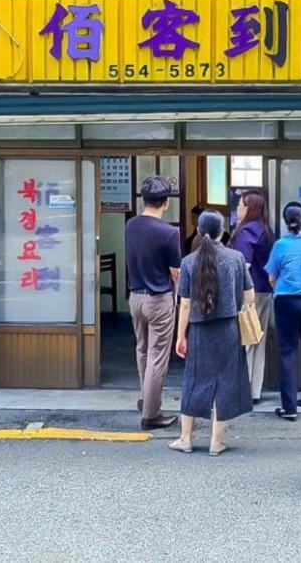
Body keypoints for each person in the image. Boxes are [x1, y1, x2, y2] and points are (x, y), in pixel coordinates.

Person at [169, 210, 255, 456]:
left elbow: (184, 304)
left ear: (198, 232)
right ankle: (216, 443)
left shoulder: (188, 262)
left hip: (199, 330)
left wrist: (180, 336)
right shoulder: (236, 258)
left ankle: (185, 438)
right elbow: (249, 296)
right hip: (229, 329)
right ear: (222, 232)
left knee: (194, 380)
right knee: (226, 382)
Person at [125, 175, 181, 430]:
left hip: (135, 297)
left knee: (142, 350)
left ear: (143, 199)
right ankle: (151, 414)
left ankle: (146, 398)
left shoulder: (131, 226)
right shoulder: (169, 233)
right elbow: (175, 271)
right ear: (166, 202)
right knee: (158, 356)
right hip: (159, 299)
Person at [265, 201, 301, 420]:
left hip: (287, 301)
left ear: (284, 222)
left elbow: (271, 276)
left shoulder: (280, 245)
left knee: (288, 351)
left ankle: (289, 407)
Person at [229, 190, 274, 404]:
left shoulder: (246, 232)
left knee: (244, 340)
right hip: (264, 290)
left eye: (240, 204)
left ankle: (241, 389)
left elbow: (243, 265)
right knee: (258, 340)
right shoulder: (265, 230)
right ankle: (254, 390)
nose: (238, 208)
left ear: (249, 207)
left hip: (249, 293)